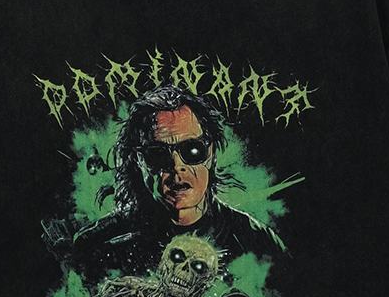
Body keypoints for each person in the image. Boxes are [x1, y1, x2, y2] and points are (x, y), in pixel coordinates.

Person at [68, 85, 283, 280]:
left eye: (192, 150)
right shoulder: (99, 246)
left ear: (211, 154)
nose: (177, 166)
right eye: (158, 154)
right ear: (138, 161)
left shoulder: (256, 243)